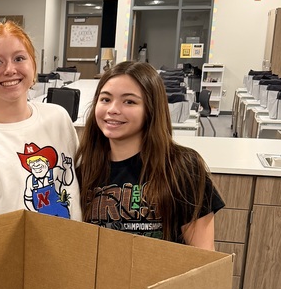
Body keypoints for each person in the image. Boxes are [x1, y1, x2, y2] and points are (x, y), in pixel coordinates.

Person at [75, 60, 224, 247]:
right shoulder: (85, 171)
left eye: (129, 101)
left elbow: (203, 256)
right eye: (105, 99)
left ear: (151, 109)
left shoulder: (182, 167)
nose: (112, 109)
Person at [0, 21, 81, 224]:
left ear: (33, 65)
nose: (10, 70)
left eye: (19, 58)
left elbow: (77, 187)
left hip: (73, 251)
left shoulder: (59, 119)